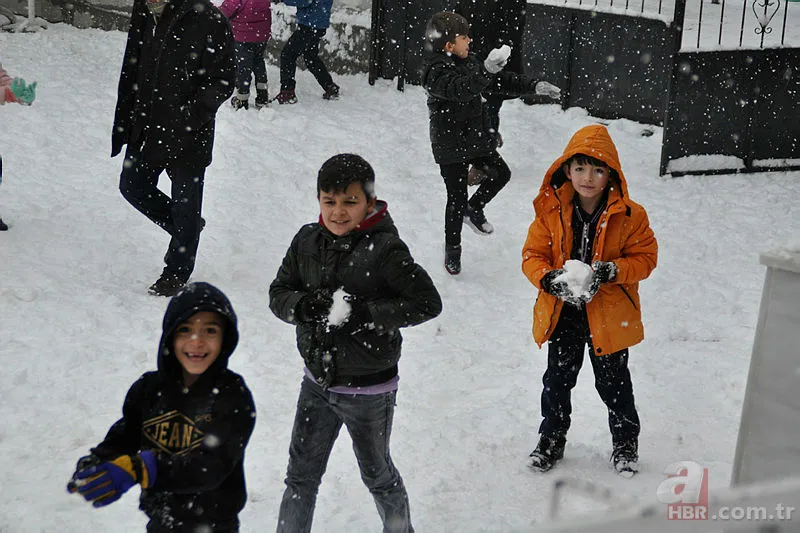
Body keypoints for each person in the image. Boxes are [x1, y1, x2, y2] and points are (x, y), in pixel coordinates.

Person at [268, 153, 442, 533]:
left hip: (368, 390)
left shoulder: (384, 250)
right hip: (316, 382)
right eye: (329, 201)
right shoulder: (306, 241)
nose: (338, 212)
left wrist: (367, 314)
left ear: (369, 202)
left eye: (350, 202)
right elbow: (278, 292)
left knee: (377, 475)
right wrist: (303, 305)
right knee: (300, 477)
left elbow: (427, 303)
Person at [521, 124, 658, 475]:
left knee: (614, 384)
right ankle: (551, 441)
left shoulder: (630, 215)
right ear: (567, 170)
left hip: (609, 316)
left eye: (597, 169)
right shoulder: (551, 210)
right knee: (556, 382)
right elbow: (532, 255)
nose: (588, 177)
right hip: (563, 313)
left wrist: (613, 271)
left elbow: (646, 258)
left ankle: (625, 443)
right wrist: (548, 278)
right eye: (579, 168)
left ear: (610, 173)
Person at [67, 282, 256, 532]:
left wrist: (142, 467)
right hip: (160, 520)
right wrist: (99, 461)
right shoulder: (149, 390)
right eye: (185, 330)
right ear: (170, 335)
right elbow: (127, 435)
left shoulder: (233, 396)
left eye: (210, 330)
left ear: (225, 338)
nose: (196, 341)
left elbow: (211, 467)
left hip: (214, 525)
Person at [422, 11, 561, 275]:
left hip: (474, 140)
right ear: (449, 45)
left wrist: (534, 85)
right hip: (450, 146)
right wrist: (484, 71)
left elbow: (500, 81)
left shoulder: (470, 62)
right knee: (456, 197)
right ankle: (453, 250)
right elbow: (461, 88)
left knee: (501, 173)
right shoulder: (435, 72)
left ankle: (474, 208)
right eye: (464, 37)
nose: (470, 40)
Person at [112, 0, 235, 296]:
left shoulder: (208, 18)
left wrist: (189, 115)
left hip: (189, 133)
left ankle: (176, 269)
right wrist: (129, 113)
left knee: (185, 202)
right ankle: (187, 228)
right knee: (132, 186)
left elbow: (223, 80)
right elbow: (135, 62)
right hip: (147, 124)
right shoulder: (145, 11)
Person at [447, 0, 526, 147]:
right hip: (469, 57)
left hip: (493, 59)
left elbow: (513, 28)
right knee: (467, 106)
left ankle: (485, 153)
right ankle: (484, 141)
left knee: (489, 105)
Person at [273, 0, 339, 104]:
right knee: (310, 57)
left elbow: (304, 1)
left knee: (288, 55)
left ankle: (287, 92)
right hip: (318, 23)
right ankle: (329, 86)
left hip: (310, 24)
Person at [220, 0, 272, 110]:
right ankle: (262, 96)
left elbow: (227, 9)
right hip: (262, 33)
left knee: (243, 67)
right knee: (258, 61)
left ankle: (242, 99)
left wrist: (216, 11)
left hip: (244, 34)